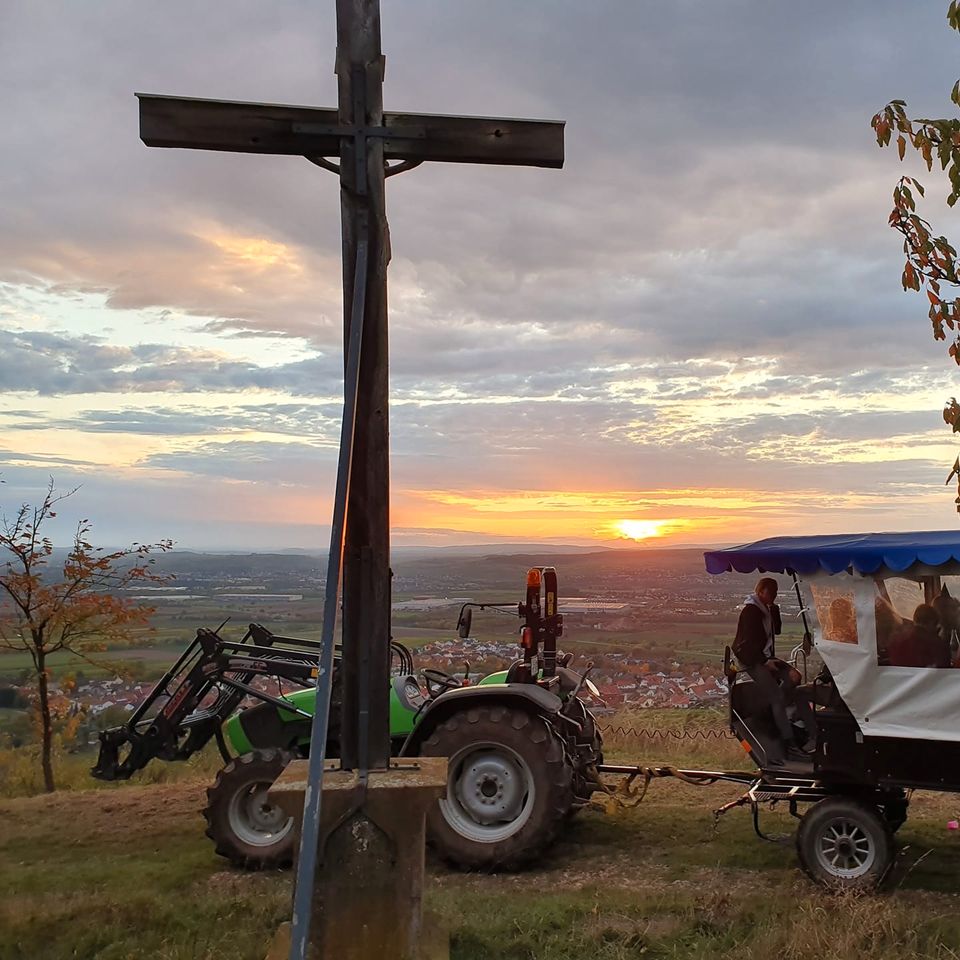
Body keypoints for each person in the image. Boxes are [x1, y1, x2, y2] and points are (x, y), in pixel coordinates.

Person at [733, 577, 817, 761]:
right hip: (752, 660)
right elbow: (748, 643)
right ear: (761, 591)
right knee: (777, 697)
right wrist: (763, 662)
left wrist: (774, 611)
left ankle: (778, 710)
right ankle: (789, 743)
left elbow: (776, 631)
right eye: (772, 593)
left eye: (776, 593)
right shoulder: (751, 612)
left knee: (795, 676)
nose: (774, 596)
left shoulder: (767, 609)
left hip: (765, 657)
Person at [887, 603, 951, 668]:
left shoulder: (896, 640)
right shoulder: (938, 644)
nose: (936, 629)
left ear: (915, 619)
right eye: (935, 625)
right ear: (931, 622)